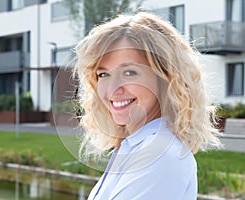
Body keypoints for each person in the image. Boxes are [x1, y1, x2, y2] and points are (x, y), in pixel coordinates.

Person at [74, 12, 221, 200]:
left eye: (129, 72)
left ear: (166, 78)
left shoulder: (159, 156)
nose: (112, 89)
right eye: (103, 74)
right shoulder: (134, 147)